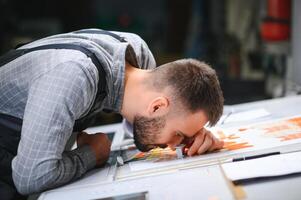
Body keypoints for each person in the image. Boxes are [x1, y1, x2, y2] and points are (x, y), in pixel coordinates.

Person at [0, 28, 224, 199]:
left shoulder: (138, 58)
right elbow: (30, 176)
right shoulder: (74, 76)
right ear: (156, 107)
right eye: (178, 134)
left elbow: (142, 123)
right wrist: (91, 154)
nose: (175, 145)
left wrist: (190, 131)